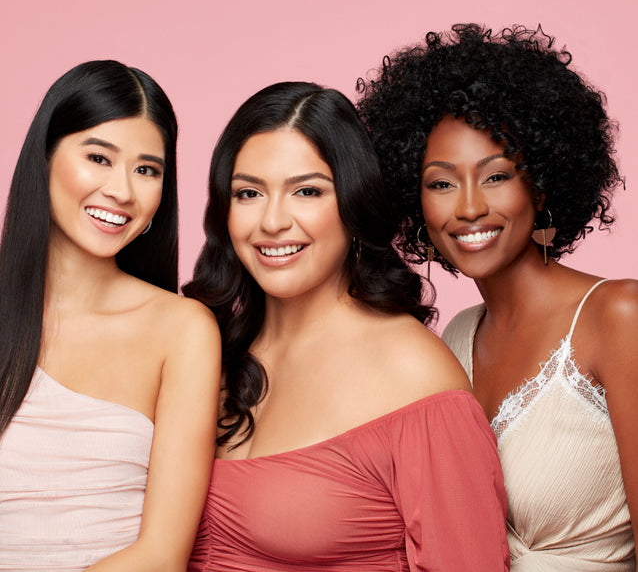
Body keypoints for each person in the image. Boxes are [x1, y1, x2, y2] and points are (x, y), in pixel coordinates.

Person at [183, 81, 510, 571]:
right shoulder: (209, 352)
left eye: (307, 191)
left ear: (354, 206)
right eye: (249, 192)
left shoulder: (413, 374)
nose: (272, 221)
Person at [357, 23, 638, 570]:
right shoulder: (458, 335)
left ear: (543, 183)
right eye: (441, 183)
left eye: (496, 176)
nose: (467, 208)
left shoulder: (618, 317)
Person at [0, 60, 221, 571]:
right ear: (45, 158)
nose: (122, 191)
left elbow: (162, 555)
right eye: (99, 157)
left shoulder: (182, 330)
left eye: (147, 170)